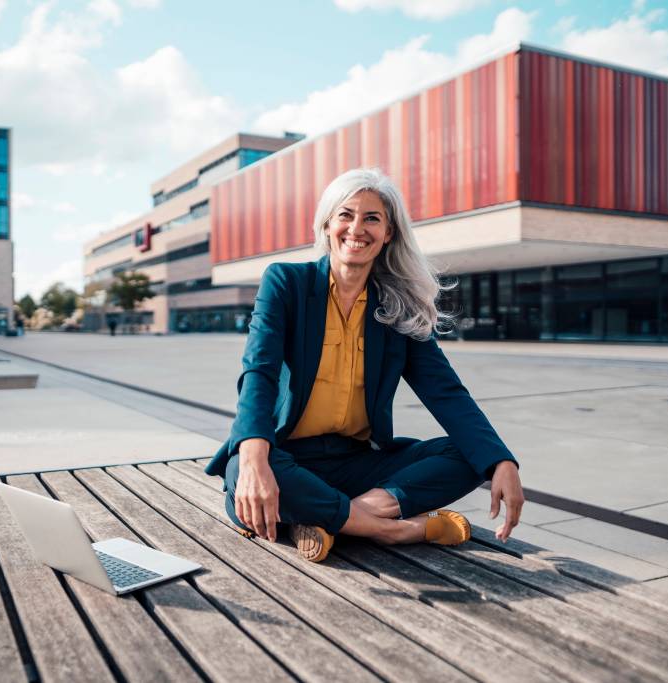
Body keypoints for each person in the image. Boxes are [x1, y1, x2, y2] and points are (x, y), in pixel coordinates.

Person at [205, 168, 524, 562]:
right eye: (346, 214)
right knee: (243, 474)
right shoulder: (286, 282)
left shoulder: (397, 306)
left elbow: (446, 392)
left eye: (372, 218)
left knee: (468, 455)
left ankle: (329, 516)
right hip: (284, 454)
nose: (357, 228)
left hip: (353, 462)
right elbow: (260, 371)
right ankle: (390, 531)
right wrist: (254, 459)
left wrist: (501, 460)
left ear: (388, 233)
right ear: (327, 224)